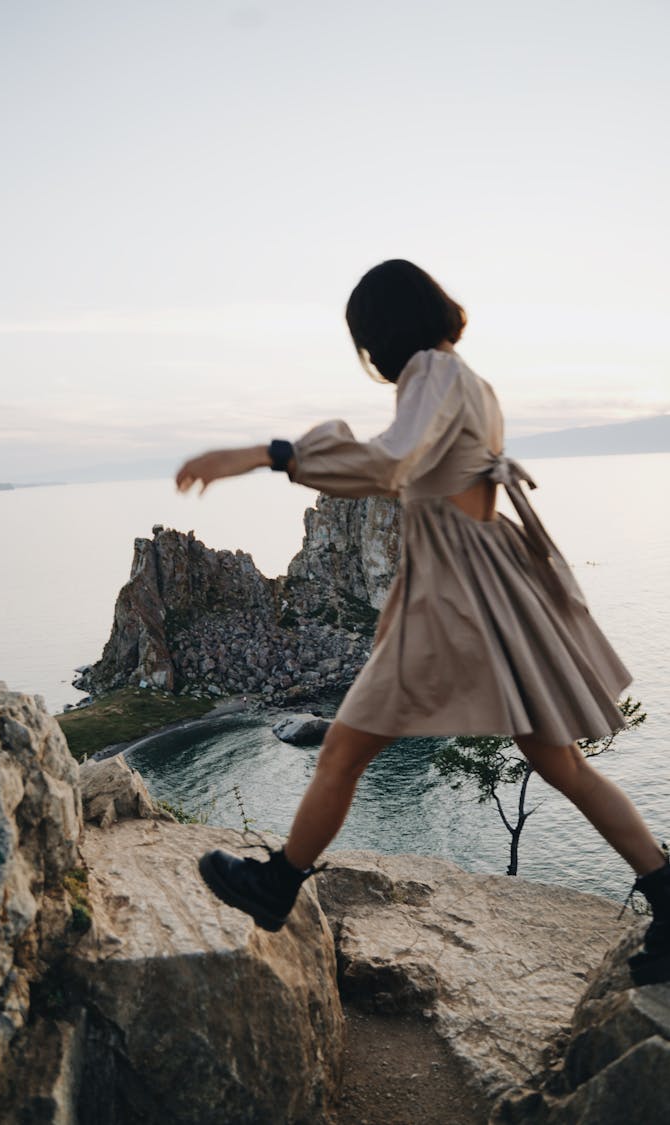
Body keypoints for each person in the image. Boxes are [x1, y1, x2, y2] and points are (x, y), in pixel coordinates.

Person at [176, 259, 669, 986]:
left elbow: (392, 465)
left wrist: (264, 454)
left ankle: (277, 884)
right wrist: (393, 617)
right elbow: (440, 504)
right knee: (557, 761)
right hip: (486, 585)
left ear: (382, 333)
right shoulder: (468, 378)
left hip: (458, 597)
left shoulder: (432, 375)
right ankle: (666, 889)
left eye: (365, 338)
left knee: (341, 749)